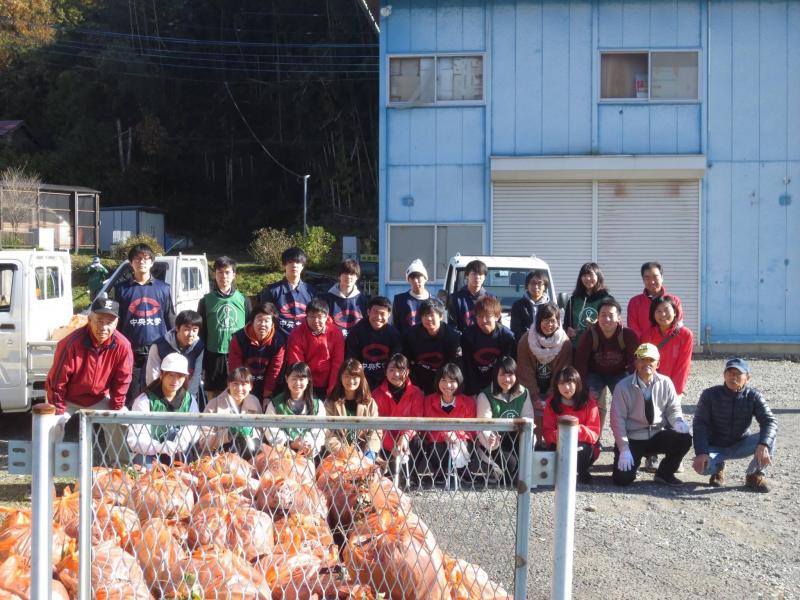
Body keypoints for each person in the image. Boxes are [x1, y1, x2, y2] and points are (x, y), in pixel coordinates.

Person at [46, 297, 133, 463]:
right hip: (67, 397)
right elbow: (57, 380)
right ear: (89, 319)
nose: (104, 327)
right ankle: (48, 466)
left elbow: (123, 379)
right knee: (51, 424)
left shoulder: (123, 345)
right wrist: (58, 409)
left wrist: (116, 407)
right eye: (99, 321)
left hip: (98, 397)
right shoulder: (71, 343)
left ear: (116, 324)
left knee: (120, 421)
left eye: (109, 322)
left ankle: (121, 468)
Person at [610, 343, 692, 487]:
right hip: (633, 438)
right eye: (642, 359)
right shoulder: (622, 387)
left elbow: (673, 409)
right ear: (636, 362)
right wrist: (623, 448)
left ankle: (664, 473)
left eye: (651, 360)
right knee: (622, 479)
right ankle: (632, 464)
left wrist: (678, 422)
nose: (647, 363)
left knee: (684, 439)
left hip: (657, 434)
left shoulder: (666, 382)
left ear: (658, 364)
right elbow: (617, 420)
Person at [692, 358, 777, 492]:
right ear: (724, 375)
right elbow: (699, 424)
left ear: (747, 378)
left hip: (741, 444)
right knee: (702, 468)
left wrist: (763, 444)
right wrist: (701, 452)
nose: (733, 377)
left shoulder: (754, 396)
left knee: (769, 439)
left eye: (738, 374)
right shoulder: (709, 395)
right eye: (730, 373)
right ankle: (718, 469)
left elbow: (770, 421)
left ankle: (754, 475)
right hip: (715, 446)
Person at [115, 243, 175, 407]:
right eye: (137, 259)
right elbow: (117, 321)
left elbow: (170, 318)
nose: (142, 262)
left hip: (156, 350)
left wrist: (174, 347)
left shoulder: (164, 288)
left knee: (156, 393)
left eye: (146, 258)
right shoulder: (121, 289)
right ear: (131, 262)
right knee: (132, 394)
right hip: (130, 350)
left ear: (152, 262)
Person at [574, 297, 639, 433]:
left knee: (626, 400)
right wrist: (583, 387)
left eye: (611, 315)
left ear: (618, 318)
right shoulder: (589, 335)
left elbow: (634, 362)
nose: (607, 319)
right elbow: (580, 363)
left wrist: (634, 385)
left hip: (618, 373)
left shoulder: (628, 335)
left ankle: (625, 436)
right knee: (589, 400)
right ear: (597, 317)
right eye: (603, 315)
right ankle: (592, 435)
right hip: (594, 373)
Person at [126, 353, 200, 467]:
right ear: (161, 375)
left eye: (180, 376)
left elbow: (194, 429)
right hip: (148, 455)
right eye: (170, 375)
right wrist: (158, 447)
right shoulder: (144, 401)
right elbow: (134, 439)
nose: (175, 380)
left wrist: (184, 437)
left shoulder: (190, 401)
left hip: (179, 454)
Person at [197, 256, 252, 400]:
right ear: (214, 274)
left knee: (238, 392)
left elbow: (250, 329)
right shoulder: (205, 301)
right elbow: (201, 332)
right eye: (220, 272)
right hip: (213, 355)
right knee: (213, 394)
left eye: (227, 272)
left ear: (234, 275)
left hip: (238, 354)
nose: (224, 276)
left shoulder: (243, 300)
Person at [516, 303, 572, 441]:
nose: (549, 325)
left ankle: (552, 441)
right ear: (538, 321)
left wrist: (551, 396)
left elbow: (562, 372)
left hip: (554, 389)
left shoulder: (564, 343)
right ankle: (530, 442)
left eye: (553, 321)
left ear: (558, 322)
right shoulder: (526, 340)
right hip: (531, 389)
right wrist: (534, 397)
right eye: (545, 320)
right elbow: (525, 372)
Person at [476, 356, 534, 483]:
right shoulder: (485, 395)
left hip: (516, 438)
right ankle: (492, 467)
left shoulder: (523, 393)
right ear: (495, 375)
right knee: (511, 465)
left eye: (510, 375)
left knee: (523, 466)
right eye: (502, 375)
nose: (507, 379)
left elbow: (528, 419)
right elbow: (483, 425)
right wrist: (490, 438)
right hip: (495, 441)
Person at [542, 366, 601, 484]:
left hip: (582, 446)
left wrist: (574, 430)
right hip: (559, 443)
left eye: (570, 383)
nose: (566, 387)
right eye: (561, 383)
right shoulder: (551, 403)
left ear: (577, 383)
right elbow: (547, 432)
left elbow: (594, 434)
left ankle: (581, 470)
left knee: (585, 449)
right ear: (556, 385)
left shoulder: (589, 402)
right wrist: (564, 434)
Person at [420, 363, 476, 483]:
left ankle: (461, 470)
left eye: (452, 381)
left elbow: (472, 431)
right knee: (436, 448)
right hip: (437, 444)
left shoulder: (469, 402)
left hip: (460, 443)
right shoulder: (428, 401)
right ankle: (441, 470)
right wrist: (444, 434)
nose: (447, 385)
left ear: (459, 382)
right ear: (438, 381)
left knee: (465, 444)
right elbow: (425, 430)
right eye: (443, 380)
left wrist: (456, 435)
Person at [228, 302, 287, 408]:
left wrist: (267, 395)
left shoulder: (278, 341)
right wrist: (242, 392)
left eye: (267, 320)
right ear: (252, 321)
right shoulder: (239, 338)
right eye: (259, 319)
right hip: (243, 385)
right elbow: (235, 368)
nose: (263, 324)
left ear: (273, 323)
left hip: (266, 385)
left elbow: (274, 370)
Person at [372, 354, 425, 467]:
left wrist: (405, 436)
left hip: (408, 439)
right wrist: (392, 445)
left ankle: (412, 473)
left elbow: (416, 419)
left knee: (417, 442)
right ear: (385, 372)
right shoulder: (376, 394)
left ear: (408, 372)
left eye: (401, 370)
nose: (396, 374)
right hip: (385, 440)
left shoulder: (416, 393)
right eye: (391, 370)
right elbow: (377, 424)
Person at [264, 362, 327, 457]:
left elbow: (320, 431)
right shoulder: (275, 404)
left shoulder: (317, 405)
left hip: (308, 454)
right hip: (282, 455)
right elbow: (270, 430)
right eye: (294, 379)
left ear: (308, 380)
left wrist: (306, 443)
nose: (297, 383)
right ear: (286, 379)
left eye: (301, 379)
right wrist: (291, 443)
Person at [286, 297, 345, 399]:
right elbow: (297, 364)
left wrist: (332, 390)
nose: (316, 320)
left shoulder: (336, 333)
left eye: (320, 316)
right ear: (306, 316)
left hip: (328, 381)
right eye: (312, 316)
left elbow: (337, 363)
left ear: (327, 316)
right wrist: (304, 390)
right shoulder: (296, 334)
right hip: (305, 383)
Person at [324, 359, 382, 459]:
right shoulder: (330, 403)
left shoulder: (370, 403)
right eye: (347, 376)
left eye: (355, 377)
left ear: (361, 378)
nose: (351, 381)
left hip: (363, 455)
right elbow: (328, 433)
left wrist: (370, 453)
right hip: (337, 456)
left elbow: (375, 431)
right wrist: (344, 453)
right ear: (340, 377)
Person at [402, 298, 462, 394]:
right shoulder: (410, 335)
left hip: (444, 380)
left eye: (432, 315)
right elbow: (407, 361)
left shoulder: (453, 336)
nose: (429, 319)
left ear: (441, 316)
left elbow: (455, 365)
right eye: (425, 315)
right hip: (419, 379)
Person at [460, 295, 516, 395]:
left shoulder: (507, 336)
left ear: (497, 316)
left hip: (498, 382)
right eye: (480, 316)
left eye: (488, 316)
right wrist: (473, 392)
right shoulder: (468, 335)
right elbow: (467, 365)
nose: (484, 320)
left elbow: (508, 366)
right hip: (474, 380)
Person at [201, 367, 263, 456]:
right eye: (235, 384)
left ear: (251, 386)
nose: (239, 388)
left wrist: (251, 432)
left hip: (250, 454)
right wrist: (228, 433)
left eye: (244, 384)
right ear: (228, 384)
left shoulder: (255, 402)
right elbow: (203, 442)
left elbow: (261, 433)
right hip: (221, 456)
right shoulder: (213, 404)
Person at [145, 309, 205, 401]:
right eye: (186, 329)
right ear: (177, 328)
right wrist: (159, 399)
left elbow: (196, 376)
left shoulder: (199, 347)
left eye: (194, 330)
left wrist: (189, 399)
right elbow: (152, 375)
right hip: (160, 394)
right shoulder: (159, 346)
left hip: (184, 393)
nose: (191, 334)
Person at [640, 295, 693, 397]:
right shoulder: (646, 335)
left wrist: (675, 391)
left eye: (666, 310)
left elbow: (683, 365)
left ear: (675, 312)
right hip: (650, 387)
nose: (663, 314)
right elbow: (645, 363)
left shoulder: (685, 335)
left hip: (673, 388)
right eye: (658, 311)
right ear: (653, 314)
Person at [345, 296, 402, 390]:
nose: (378, 317)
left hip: (385, 382)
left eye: (382, 313)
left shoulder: (394, 334)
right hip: (361, 381)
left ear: (389, 314)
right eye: (375, 312)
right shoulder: (356, 332)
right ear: (368, 312)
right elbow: (351, 360)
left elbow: (395, 361)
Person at [259, 247, 316, 336]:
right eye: (290, 262)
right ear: (283, 265)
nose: (294, 265)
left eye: (298, 262)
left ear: (302, 266)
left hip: (304, 340)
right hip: (279, 341)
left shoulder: (311, 291)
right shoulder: (272, 291)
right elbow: (264, 318)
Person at [626, 261, 684, 339]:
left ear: (662, 278)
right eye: (647, 278)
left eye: (655, 277)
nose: (652, 282)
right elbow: (633, 329)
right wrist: (646, 344)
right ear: (643, 280)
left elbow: (678, 325)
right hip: (643, 345)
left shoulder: (674, 301)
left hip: (668, 344)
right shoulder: (634, 302)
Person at [563, 262, 611, 348]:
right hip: (577, 347)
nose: (588, 278)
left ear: (598, 276)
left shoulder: (607, 299)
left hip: (600, 348)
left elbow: (613, 324)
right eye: (584, 275)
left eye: (591, 275)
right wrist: (568, 331)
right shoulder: (573, 300)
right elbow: (566, 324)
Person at [321, 258, 368, 337]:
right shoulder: (326, 299)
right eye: (345, 273)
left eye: (352, 274)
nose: (348, 277)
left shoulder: (363, 300)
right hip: (332, 342)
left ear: (357, 277)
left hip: (356, 343)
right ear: (339, 276)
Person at [447, 259, 493, 332]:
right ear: (467, 276)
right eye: (474, 274)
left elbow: (496, 325)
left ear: (485, 277)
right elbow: (452, 326)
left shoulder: (491, 299)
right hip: (463, 338)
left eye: (480, 274)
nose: (477, 277)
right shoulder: (455, 298)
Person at [510, 270, 551, 341]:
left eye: (540, 283)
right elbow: (516, 329)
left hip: (547, 344)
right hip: (525, 343)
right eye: (532, 283)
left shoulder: (551, 307)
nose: (536, 287)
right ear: (527, 285)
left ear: (544, 287)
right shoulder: (518, 305)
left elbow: (555, 328)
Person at [392, 259, 431, 334]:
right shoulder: (399, 300)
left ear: (425, 278)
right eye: (412, 277)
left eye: (418, 276)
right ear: (408, 280)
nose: (415, 281)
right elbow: (395, 326)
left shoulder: (434, 302)